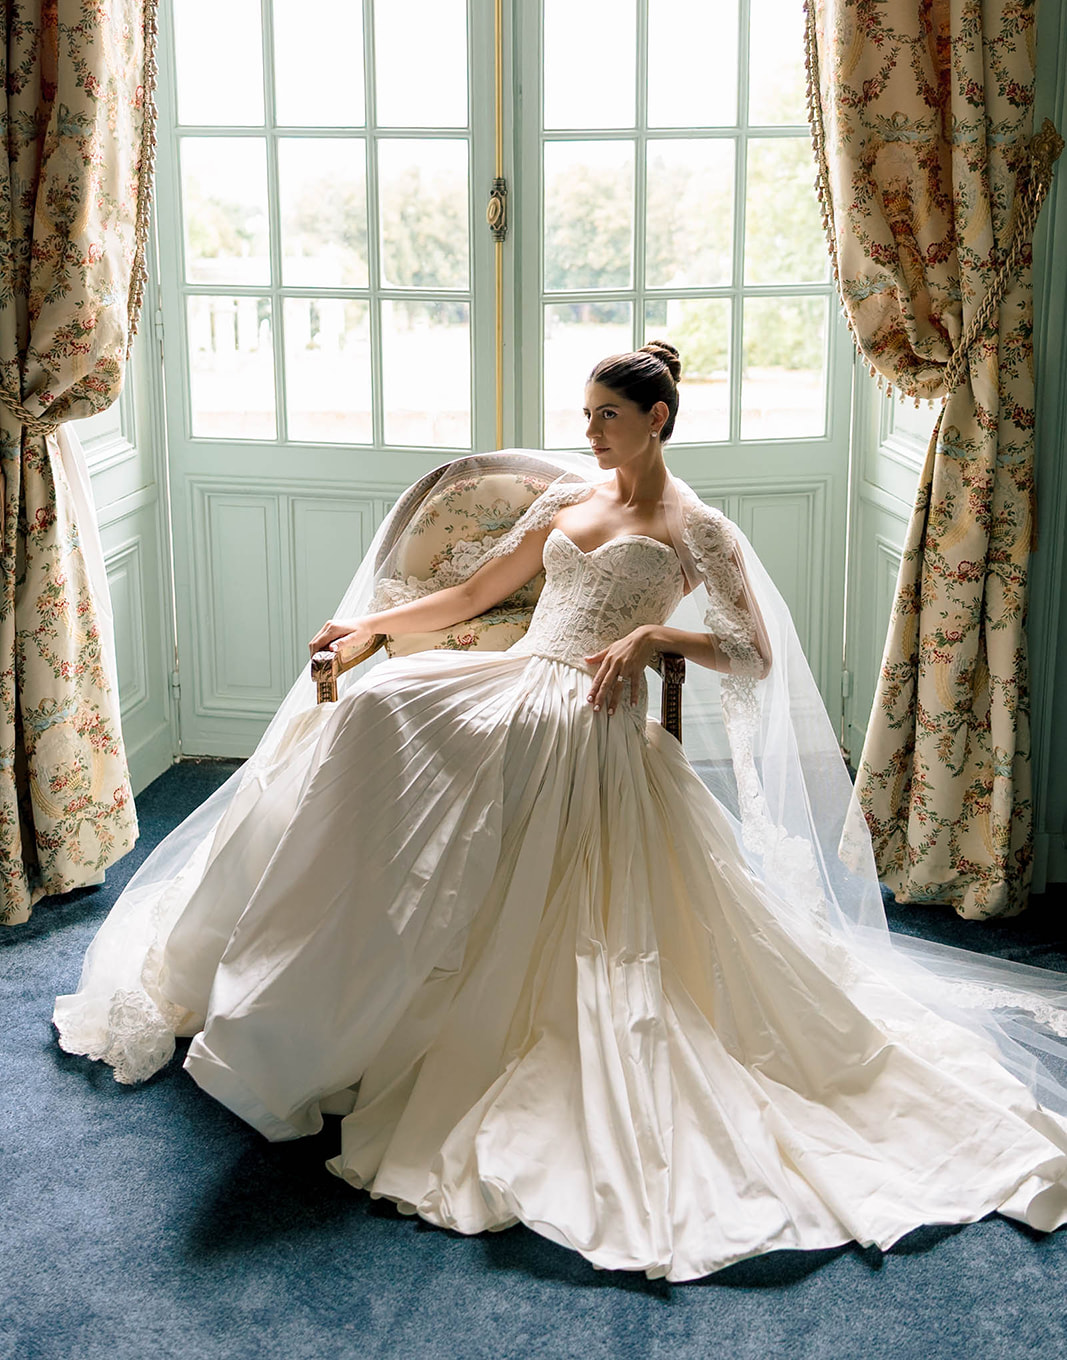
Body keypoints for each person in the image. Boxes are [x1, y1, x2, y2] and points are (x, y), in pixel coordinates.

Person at [54, 342, 1067, 1283]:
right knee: (372, 704)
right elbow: (469, 598)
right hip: (512, 681)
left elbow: (750, 652)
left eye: (607, 417)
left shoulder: (694, 531)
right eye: (584, 415)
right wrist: (369, 623)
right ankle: (320, 965)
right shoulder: (572, 502)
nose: (586, 435)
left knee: (455, 777)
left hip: (588, 725)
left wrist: (655, 643)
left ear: (656, 418)